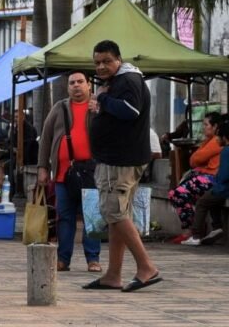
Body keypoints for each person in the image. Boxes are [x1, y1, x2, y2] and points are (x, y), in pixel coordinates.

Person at [83, 39, 161, 292]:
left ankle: (146, 266)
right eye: (97, 63)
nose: (101, 67)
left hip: (119, 161)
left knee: (114, 213)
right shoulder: (120, 81)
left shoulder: (128, 80)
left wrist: (103, 101)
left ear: (119, 59)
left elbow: (130, 110)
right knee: (117, 215)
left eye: (106, 61)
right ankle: (113, 274)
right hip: (117, 159)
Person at [37, 70, 101, 273]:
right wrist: (42, 167)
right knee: (64, 218)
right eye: (72, 82)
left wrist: (100, 110)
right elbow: (45, 138)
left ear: (89, 84)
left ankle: (93, 259)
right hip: (64, 173)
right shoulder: (59, 108)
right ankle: (63, 259)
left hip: (91, 172)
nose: (76, 85)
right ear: (67, 87)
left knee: (92, 217)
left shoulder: (98, 106)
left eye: (80, 81)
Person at [168, 112, 223, 245]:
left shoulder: (216, 140)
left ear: (215, 126)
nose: (204, 127)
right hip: (208, 177)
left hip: (212, 178)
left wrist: (200, 163)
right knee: (177, 193)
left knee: (178, 193)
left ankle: (192, 231)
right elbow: (194, 161)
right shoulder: (208, 141)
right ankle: (194, 229)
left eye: (206, 124)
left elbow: (195, 159)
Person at [189, 114, 229, 246]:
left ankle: (195, 235)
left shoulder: (225, 151)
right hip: (222, 188)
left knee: (202, 202)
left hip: (223, 188)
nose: (217, 140)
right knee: (210, 197)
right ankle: (217, 227)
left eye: (219, 137)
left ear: (224, 138)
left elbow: (223, 175)